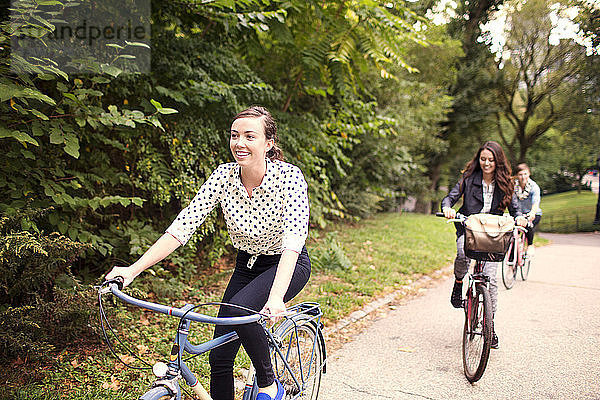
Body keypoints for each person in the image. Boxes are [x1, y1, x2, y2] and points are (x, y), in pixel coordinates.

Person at [105, 106, 311, 400]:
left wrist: (276, 297)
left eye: (250, 136)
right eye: (234, 135)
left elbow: (293, 240)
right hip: (247, 265)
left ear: (268, 143)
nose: (240, 143)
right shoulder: (223, 176)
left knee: (241, 309)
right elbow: (182, 227)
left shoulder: (289, 178)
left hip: (287, 263)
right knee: (219, 357)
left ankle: (269, 383)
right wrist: (132, 270)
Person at [440, 141, 526, 349]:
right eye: (483, 159)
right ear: (478, 160)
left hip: (493, 234)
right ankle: (459, 283)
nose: (487, 163)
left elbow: (515, 209)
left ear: (498, 161)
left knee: (491, 280)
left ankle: (490, 326)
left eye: (491, 160)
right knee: (462, 255)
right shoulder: (468, 179)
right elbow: (449, 198)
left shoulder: (506, 183)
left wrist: (520, 218)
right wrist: (447, 208)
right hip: (470, 229)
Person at [514, 163, 542, 257]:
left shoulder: (534, 187)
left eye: (525, 174)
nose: (523, 177)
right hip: (519, 214)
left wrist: (532, 213)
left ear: (529, 174)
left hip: (533, 214)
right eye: (520, 174)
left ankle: (530, 245)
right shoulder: (514, 186)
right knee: (512, 233)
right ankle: (512, 257)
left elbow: (535, 203)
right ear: (517, 176)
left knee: (528, 225)